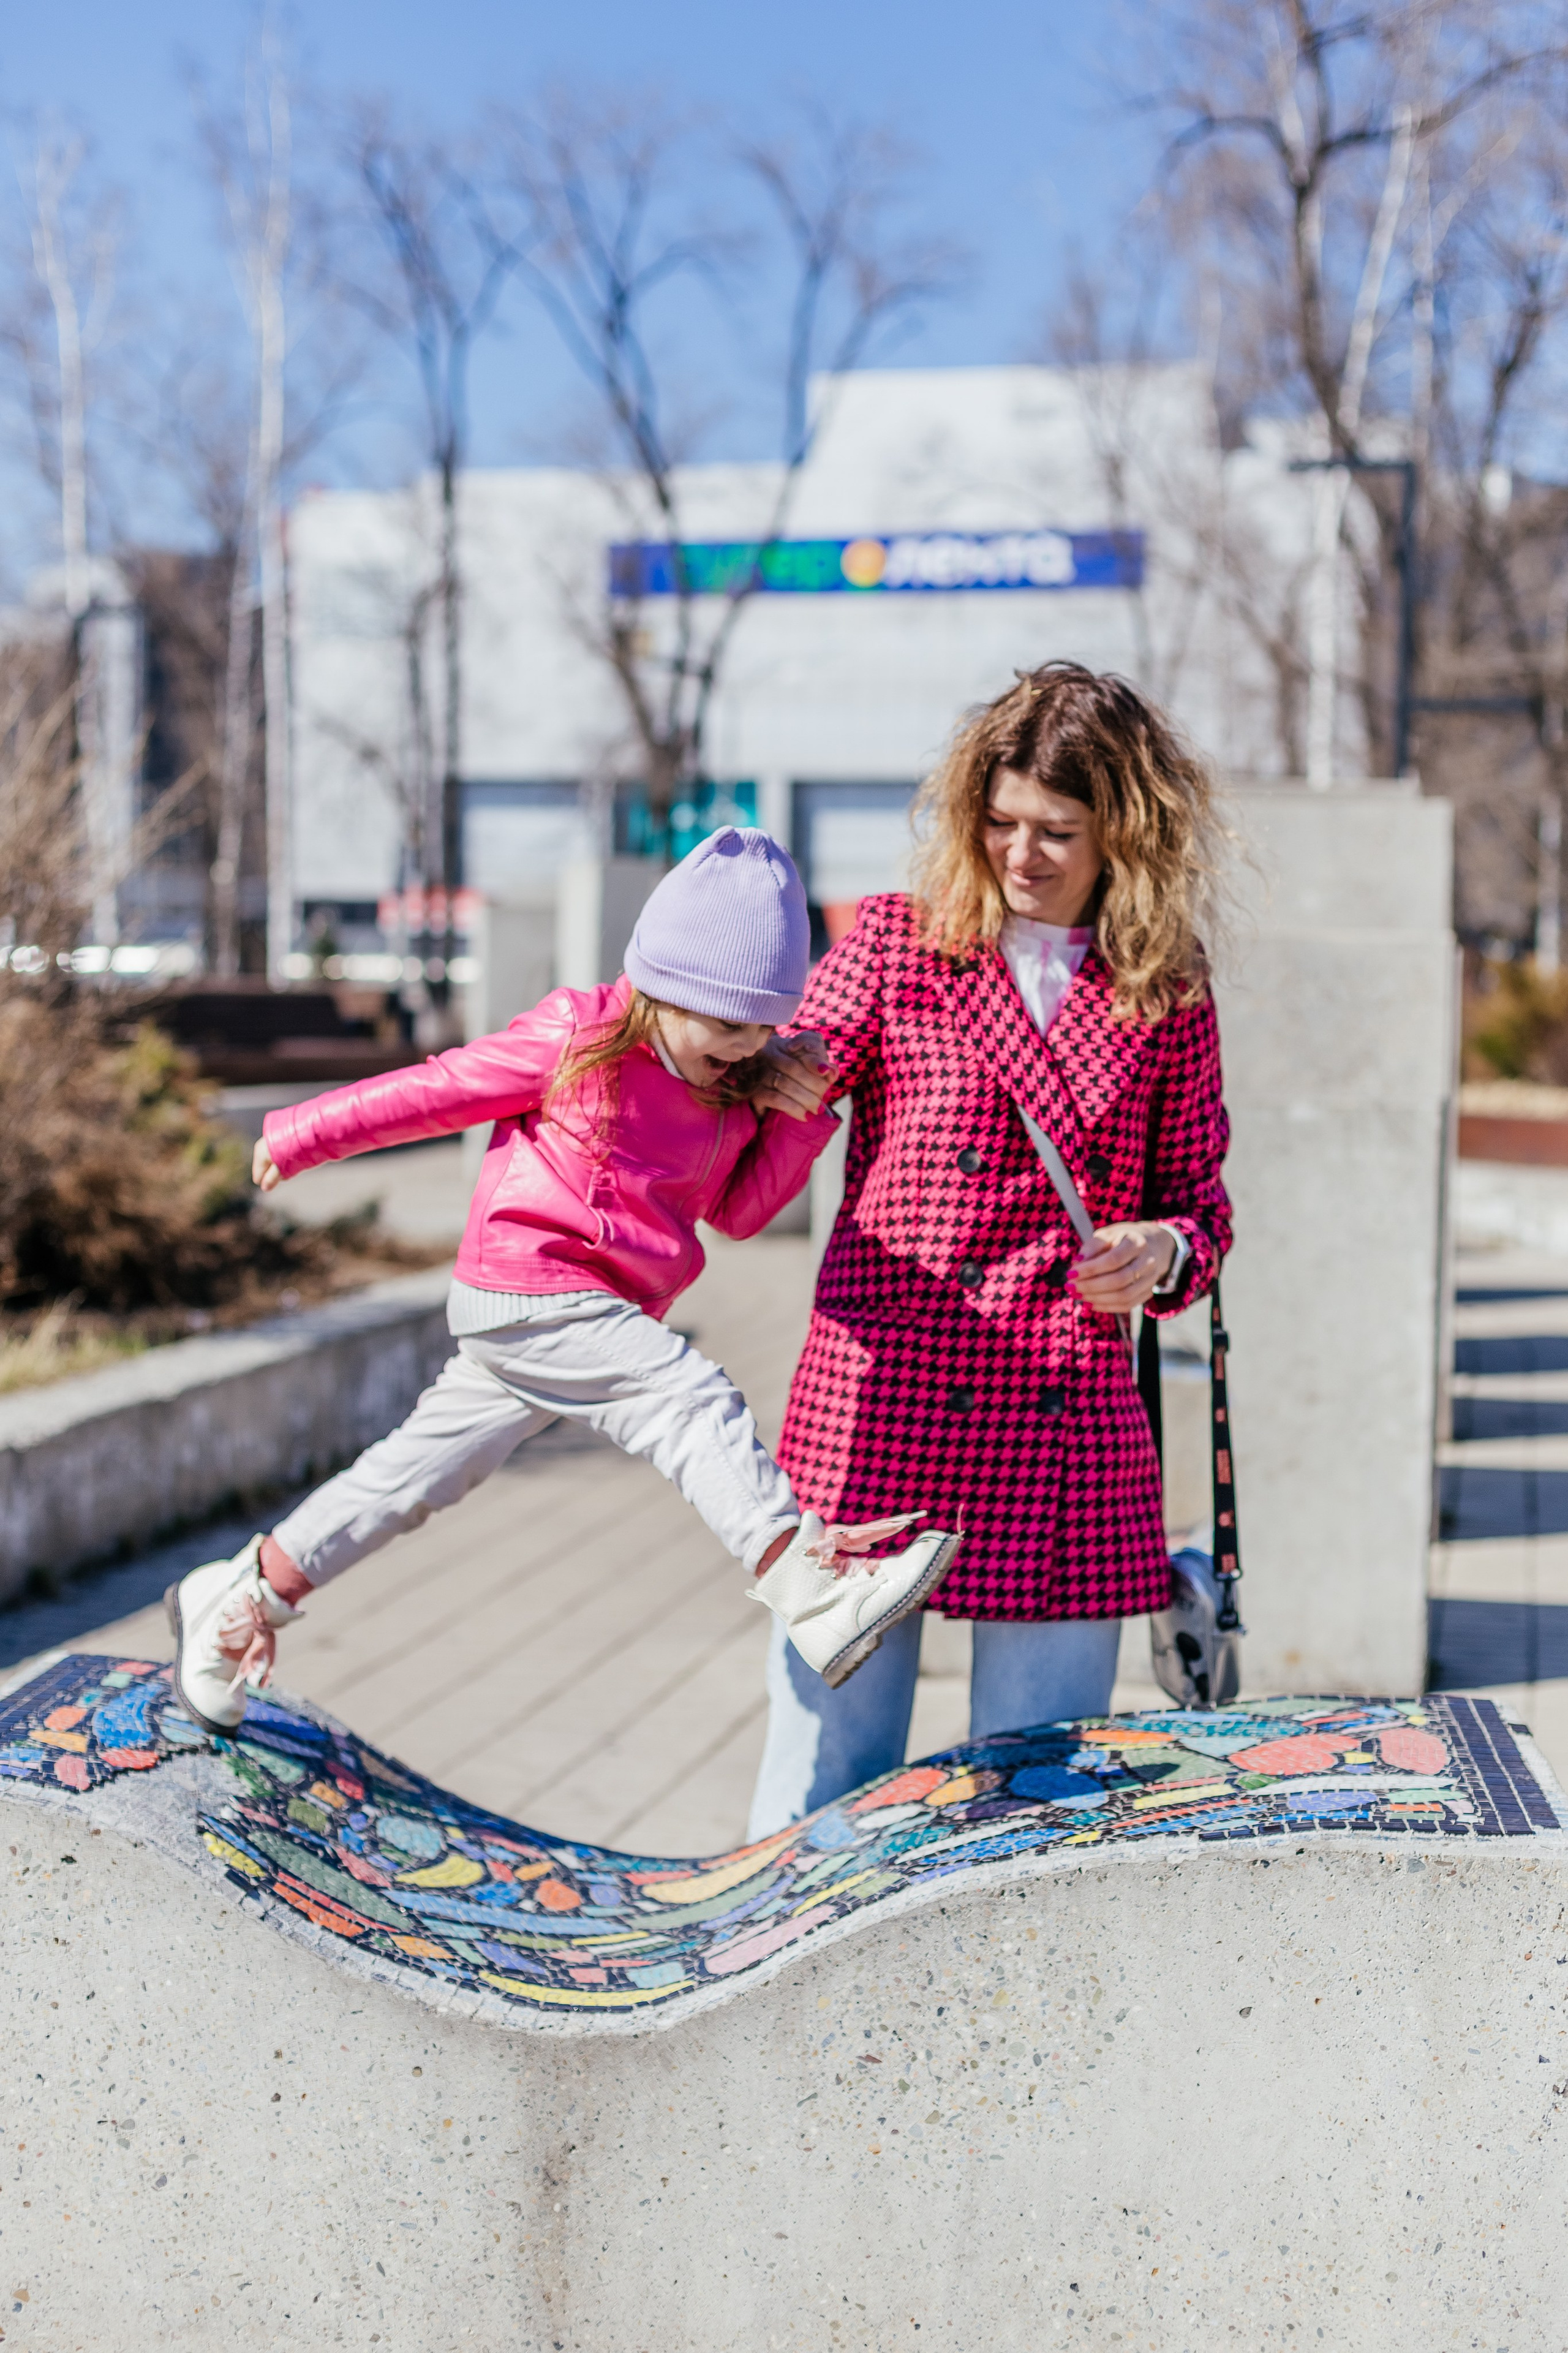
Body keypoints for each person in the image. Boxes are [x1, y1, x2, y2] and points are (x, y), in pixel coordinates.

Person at [167, 829, 959, 1738]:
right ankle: (807, 1585)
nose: (746, 1050)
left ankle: (241, 1594)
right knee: (684, 1395)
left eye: (764, 1029)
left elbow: (739, 1215)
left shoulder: (729, 1089)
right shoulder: (579, 1035)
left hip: (593, 1318)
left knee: (414, 1479)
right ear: (668, 989)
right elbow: (437, 1089)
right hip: (529, 1286)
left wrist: (798, 1116)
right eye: (729, 1026)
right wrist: (302, 1134)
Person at [748, 662, 1233, 1835]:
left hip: (1063, 1419)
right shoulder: (898, 947)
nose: (1023, 853)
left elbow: (1205, 1207)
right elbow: (787, 1073)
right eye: (1002, 822)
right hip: (882, 1405)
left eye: (1059, 830)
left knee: (1034, 1806)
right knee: (826, 1781)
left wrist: (1160, 1251)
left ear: (1123, 830)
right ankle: (783, 2006)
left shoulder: (1164, 986)